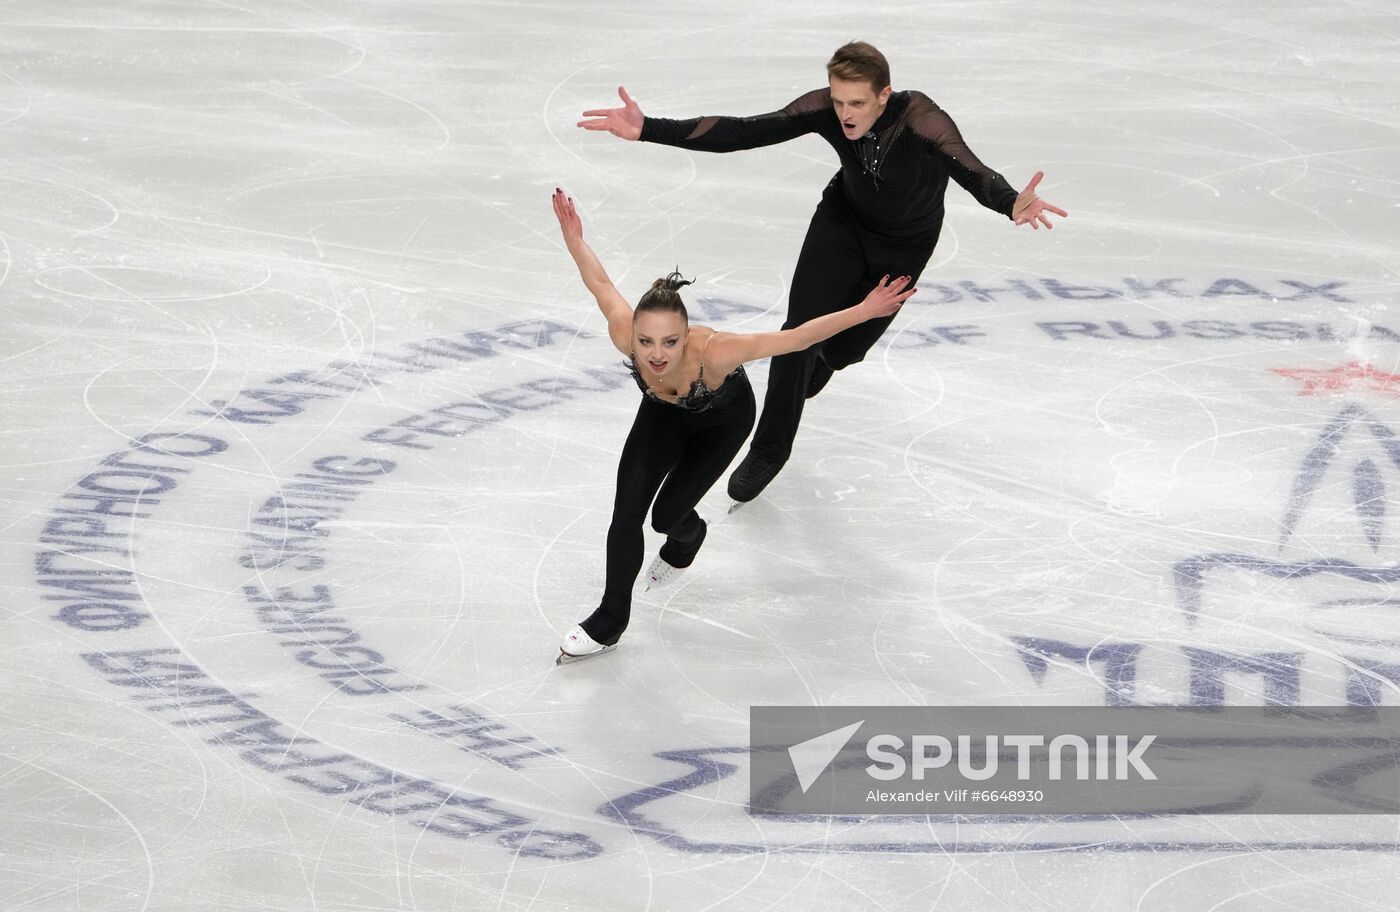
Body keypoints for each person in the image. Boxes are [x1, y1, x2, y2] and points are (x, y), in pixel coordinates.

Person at [578, 41, 1067, 503]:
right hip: (842, 222)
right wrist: (649, 128)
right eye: (838, 101)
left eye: (856, 102)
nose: (845, 113)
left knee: (844, 348)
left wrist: (1009, 203)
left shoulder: (923, 122)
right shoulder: (825, 110)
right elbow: (744, 131)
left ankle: (820, 362)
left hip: (905, 244)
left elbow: (971, 169)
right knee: (797, 333)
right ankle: (770, 449)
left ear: (884, 95)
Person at [550, 188, 916, 663]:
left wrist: (864, 311)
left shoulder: (716, 351)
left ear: (686, 336)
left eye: (670, 341)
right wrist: (574, 238)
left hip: (723, 422)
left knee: (667, 519)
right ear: (633, 336)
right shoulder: (625, 333)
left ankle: (689, 537)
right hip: (662, 415)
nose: (657, 354)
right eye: (646, 342)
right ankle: (610, 618)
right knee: (626, 516)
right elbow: (599, 283)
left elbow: (796, 338)